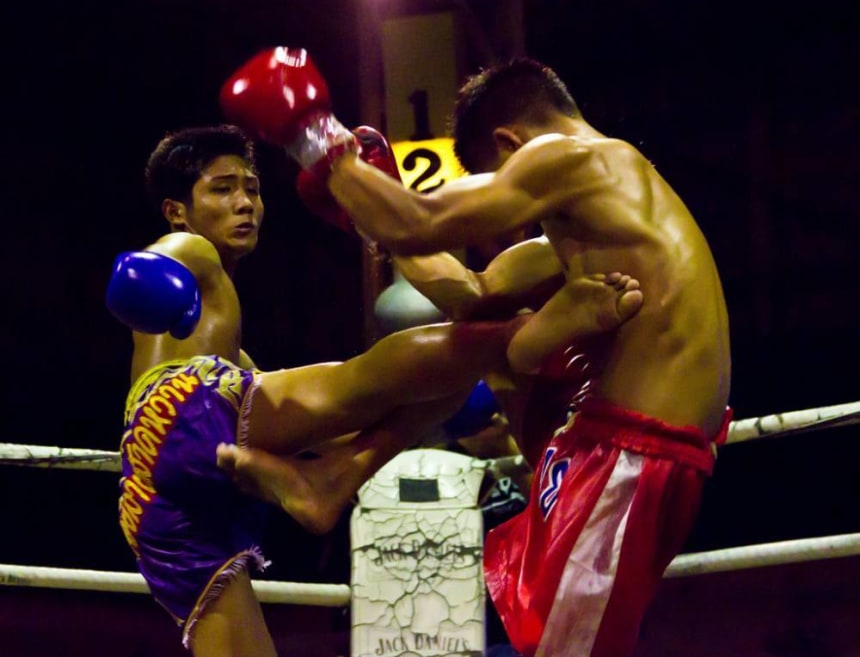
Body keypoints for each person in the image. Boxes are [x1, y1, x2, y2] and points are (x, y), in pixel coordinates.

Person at [219, 49, 732, 657]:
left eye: (502, 183)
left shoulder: (573, 155)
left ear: (510, 142)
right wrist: (368, 215)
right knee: (485, 338)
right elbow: (471, 293)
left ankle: (333, 473)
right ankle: (338, 475)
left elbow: (419, 223)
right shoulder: (594, 223)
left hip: (633, 451)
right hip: (625, 450)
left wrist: (312, 132)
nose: (513, 219)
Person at [106, 124, 640, 657]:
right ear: (177, 210)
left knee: (429, 391)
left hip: (151, 499)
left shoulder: (226, 357)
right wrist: (145, 274)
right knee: (372, 375)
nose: (245, 202)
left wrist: (386, 436)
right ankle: (517, 332)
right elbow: (158, 259)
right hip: (173, 416)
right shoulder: (190, 248)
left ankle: (333, 482)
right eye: (222, 189)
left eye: (251, 187)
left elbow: (308, 422)